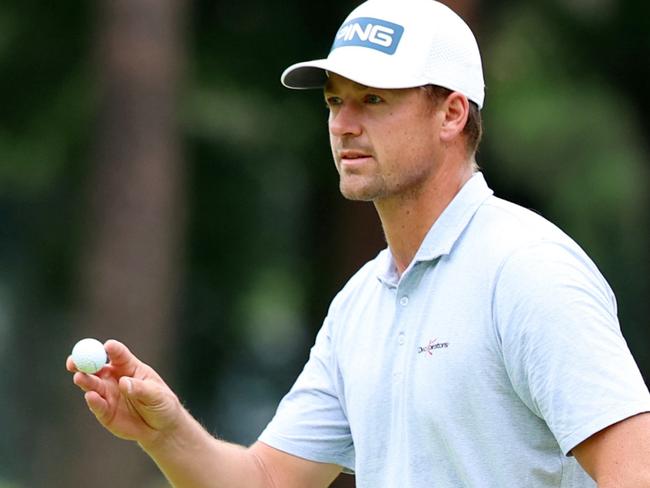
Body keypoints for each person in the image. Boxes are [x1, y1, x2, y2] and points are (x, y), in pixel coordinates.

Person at [67, 0, 650, 486]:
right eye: (334, 101)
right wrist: (165, 433)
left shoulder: (527, 270)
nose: (343, 123)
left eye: (373, 99)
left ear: (450, 115)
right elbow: (267, 478)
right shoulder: (361, 303)